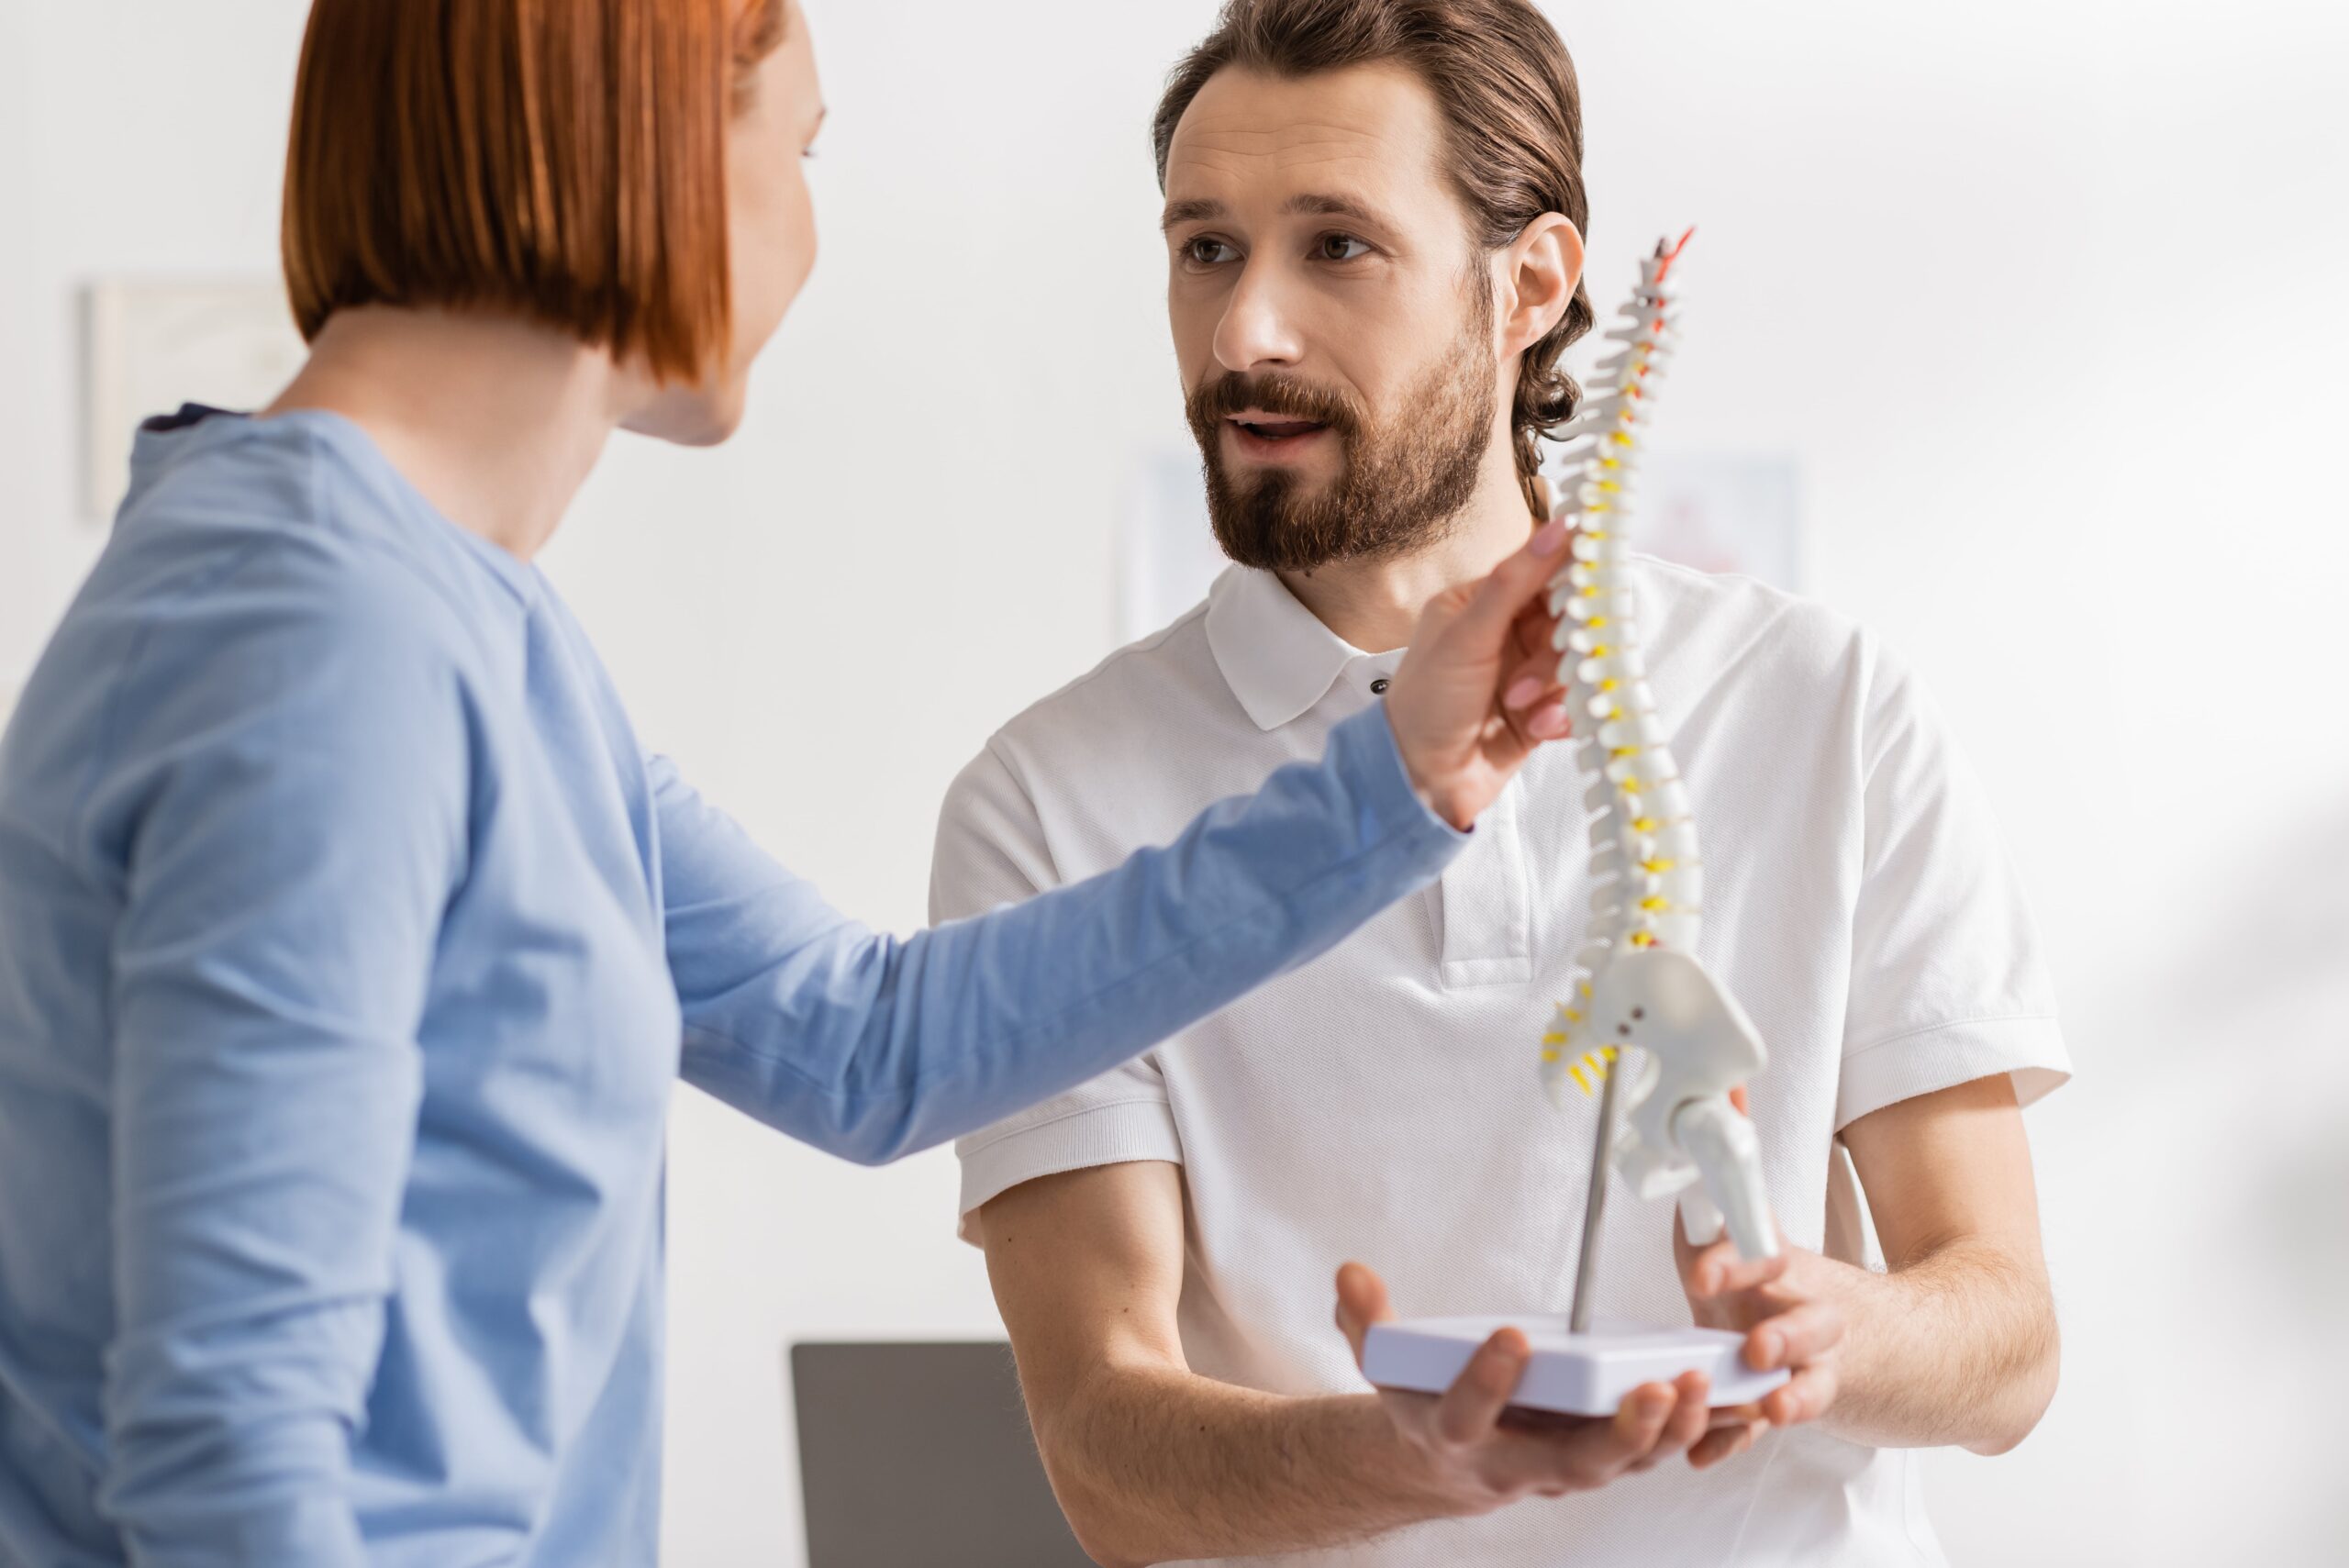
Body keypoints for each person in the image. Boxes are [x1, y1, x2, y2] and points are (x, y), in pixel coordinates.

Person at [0, 3, 1600, 1565]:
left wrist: (1397, 777)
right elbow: (232, 1434)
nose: (812, 239)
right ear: (661, 147)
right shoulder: (319, 634)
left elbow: (867, 1041)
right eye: (803, 147)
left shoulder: (462, 627)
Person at [938, 2, 2071, 1563]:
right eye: (1205, 248)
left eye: (1336, 246)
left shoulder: (1827, 707)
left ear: (1529, 287)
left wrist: (1837, 1328)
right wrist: (1419, 1462)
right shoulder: (1047, 801)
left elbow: (2007, 1339)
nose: (1244, 332)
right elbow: (1106, 1446)